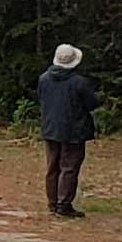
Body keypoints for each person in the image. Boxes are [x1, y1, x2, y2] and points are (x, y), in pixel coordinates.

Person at [37, 43, 96, 218]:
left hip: (50, 128)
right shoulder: (80, 82)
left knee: (52, 167)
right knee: (69, 167)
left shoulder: (43, 79)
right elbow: (92, 103)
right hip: (74, 131)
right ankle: (64, 205)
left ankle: (53, 203)